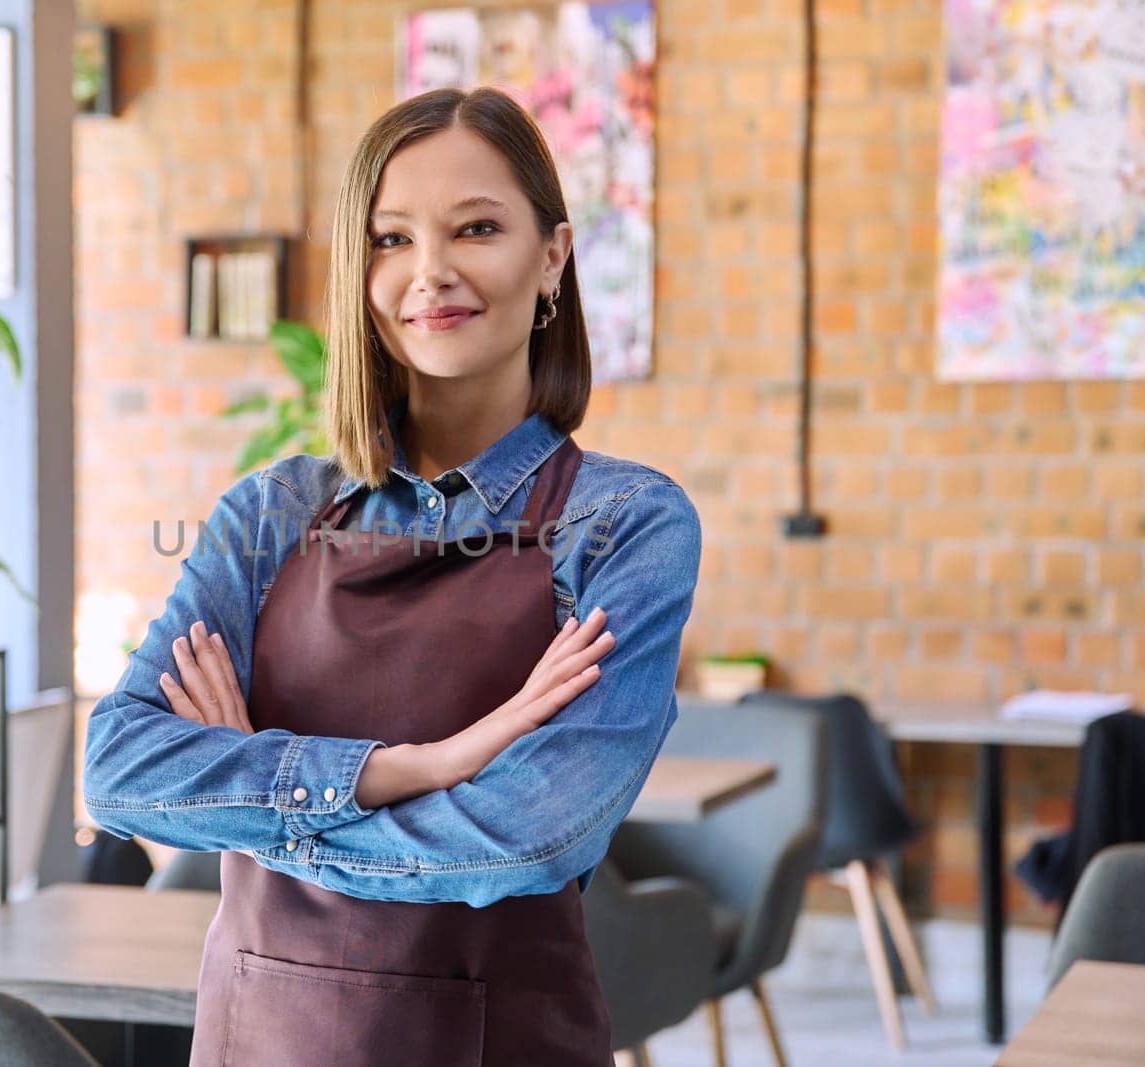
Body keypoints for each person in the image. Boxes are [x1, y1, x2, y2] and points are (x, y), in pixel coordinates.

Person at [83, 86, 701, 1066]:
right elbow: (117, 769)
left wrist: (267, 817)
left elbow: (526, 835)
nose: (431, 272)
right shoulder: (269, 512)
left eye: (477, 227)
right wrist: (420, 764)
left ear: (551, 255)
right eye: (390, 238)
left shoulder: (625, 523)